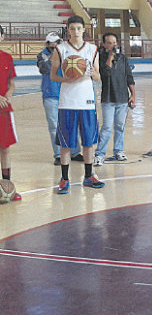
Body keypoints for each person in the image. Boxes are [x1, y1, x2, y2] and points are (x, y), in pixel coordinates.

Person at [50, 15, 105, 194]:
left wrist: (91, 73)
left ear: (83, 30)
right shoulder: (60, 49)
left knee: (88, 142)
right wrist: (65, 78)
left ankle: (88, 176)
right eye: (72, 29)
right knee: (66, 143)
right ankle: (65, 179)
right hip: (67, 102)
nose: (75, 32)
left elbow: (97, 76)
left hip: (87, 102)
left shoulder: (92, 49)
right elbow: (53, 76)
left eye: (78, 28)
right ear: (68, 30)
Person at [37, 32, 82, 165]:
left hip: (67, 94)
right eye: (52, 44)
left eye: (57, 43)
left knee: (72, 124)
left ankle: (74, 152)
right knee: (54, 126)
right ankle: (58, 155)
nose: (55, 46)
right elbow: (44, 69)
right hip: (50, 95)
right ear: (47, 44)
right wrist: (54, 55)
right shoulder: (42, 55)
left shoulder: (67, 53)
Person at [93, 33, 136, 166]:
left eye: (115, 43)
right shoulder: (100, 58)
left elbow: (129, 76)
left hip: (122, 99)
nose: (113, 46)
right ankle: (99, 154)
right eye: (110, 43)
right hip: (108, 99)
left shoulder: (123, 58)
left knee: (120, 126)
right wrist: (110, 58)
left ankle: (118, 151)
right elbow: (104, 74)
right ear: (104, 45)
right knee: (106, 128)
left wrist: (133, 94)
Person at [0, 25, 21, 202]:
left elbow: (12, 83)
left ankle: (7, 187)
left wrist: (9, 93)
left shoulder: (7, 58)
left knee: (5, 148)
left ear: (2, 37)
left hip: (4, 110)